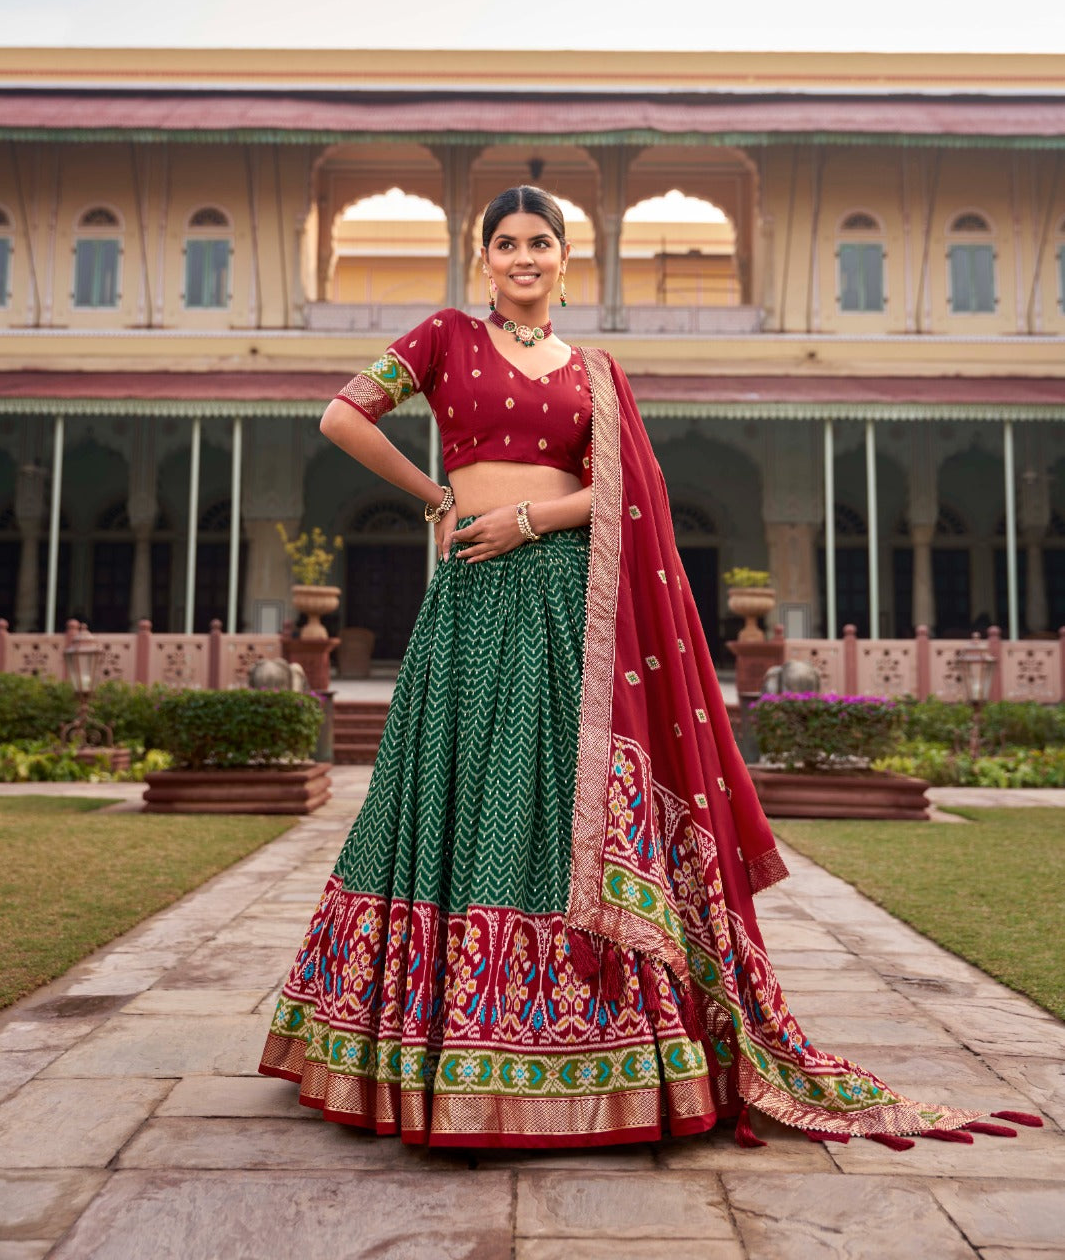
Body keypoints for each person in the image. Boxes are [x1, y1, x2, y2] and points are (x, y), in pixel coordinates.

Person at [258, 185, 1035, 1151]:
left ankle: (575, 1037)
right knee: (455, 793)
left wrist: (531, 517)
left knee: (556, 798)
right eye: (506, 244)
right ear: (484, 257)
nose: (524, 257)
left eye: (541, 242)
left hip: (564, 603)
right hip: (469, 600)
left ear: (564, 259)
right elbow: (343, 415)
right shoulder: (441, 339)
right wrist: (435, 500)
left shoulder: (596, 371)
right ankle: (435, 1038)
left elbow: (626, 492)